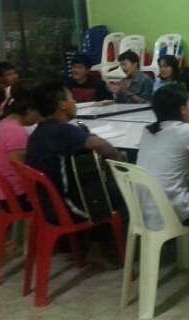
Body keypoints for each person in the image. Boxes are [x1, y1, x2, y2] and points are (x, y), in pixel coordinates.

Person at [26, 81, 124, 268]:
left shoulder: (40, 131)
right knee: (120, 190)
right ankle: (102, 247)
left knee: (97, 182)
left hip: (46, 205)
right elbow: (97, 144)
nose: (75, 102)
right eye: (72, 98)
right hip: (64, 208)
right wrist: (118, 158)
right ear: (62, 104)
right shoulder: (62, 130)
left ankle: (81, 243)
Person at [136, 84, 189, 227]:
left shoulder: (148, 131)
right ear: (182, 109)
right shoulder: (186, 131)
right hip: (172, 212)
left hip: (145, 210)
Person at [0, 80, 39, 210]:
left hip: (5, 192)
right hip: (15, 198)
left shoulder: (4, 123)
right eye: (38, 113)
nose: (39, 118)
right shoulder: (16, 132)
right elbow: (22, 171)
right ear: (30, 110)